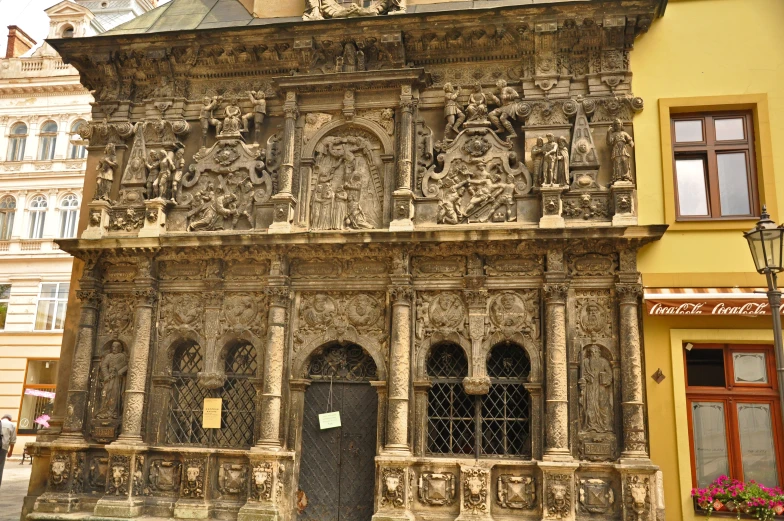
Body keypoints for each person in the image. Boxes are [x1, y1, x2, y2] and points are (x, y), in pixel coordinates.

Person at [0, 414, 17, 488]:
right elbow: (12, 441)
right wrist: (10, 451)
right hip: (3, 447)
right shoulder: (11, 425)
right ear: (10, 419)